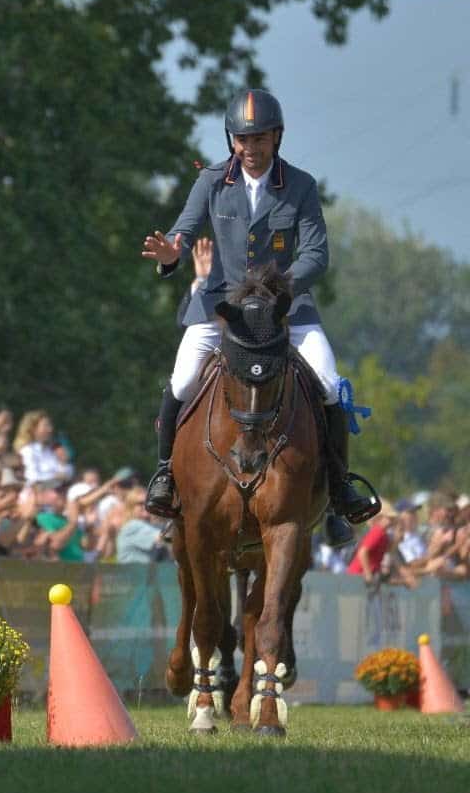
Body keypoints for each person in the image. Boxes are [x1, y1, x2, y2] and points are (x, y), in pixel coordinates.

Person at [139, 88, 377, 547]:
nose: (251, 148)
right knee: (184, 380)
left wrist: (279, 291)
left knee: (328, 383)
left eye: (260, 139)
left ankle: (337, 487)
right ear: (233, 142)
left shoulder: (302, 185)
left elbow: (316, 254)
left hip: (286, 306)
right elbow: (184, 230)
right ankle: (167, 476)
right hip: (220, 305)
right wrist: (172, 252)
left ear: (277, 138)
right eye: (243, 140)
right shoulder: (211, 180)